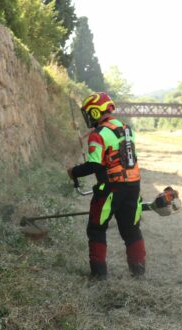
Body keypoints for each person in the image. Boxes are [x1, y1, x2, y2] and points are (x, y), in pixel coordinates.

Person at [67, 92, 146, 280]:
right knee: (131, 230)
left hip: (111, 188)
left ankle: (99, 275)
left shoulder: (98, 135)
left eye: (88, 113)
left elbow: (94, 165)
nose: (87, 117)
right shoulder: (127, 129)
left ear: (95, 112)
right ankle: (138, 272)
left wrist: (73, 171)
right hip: (133, 186)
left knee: (96, 228)